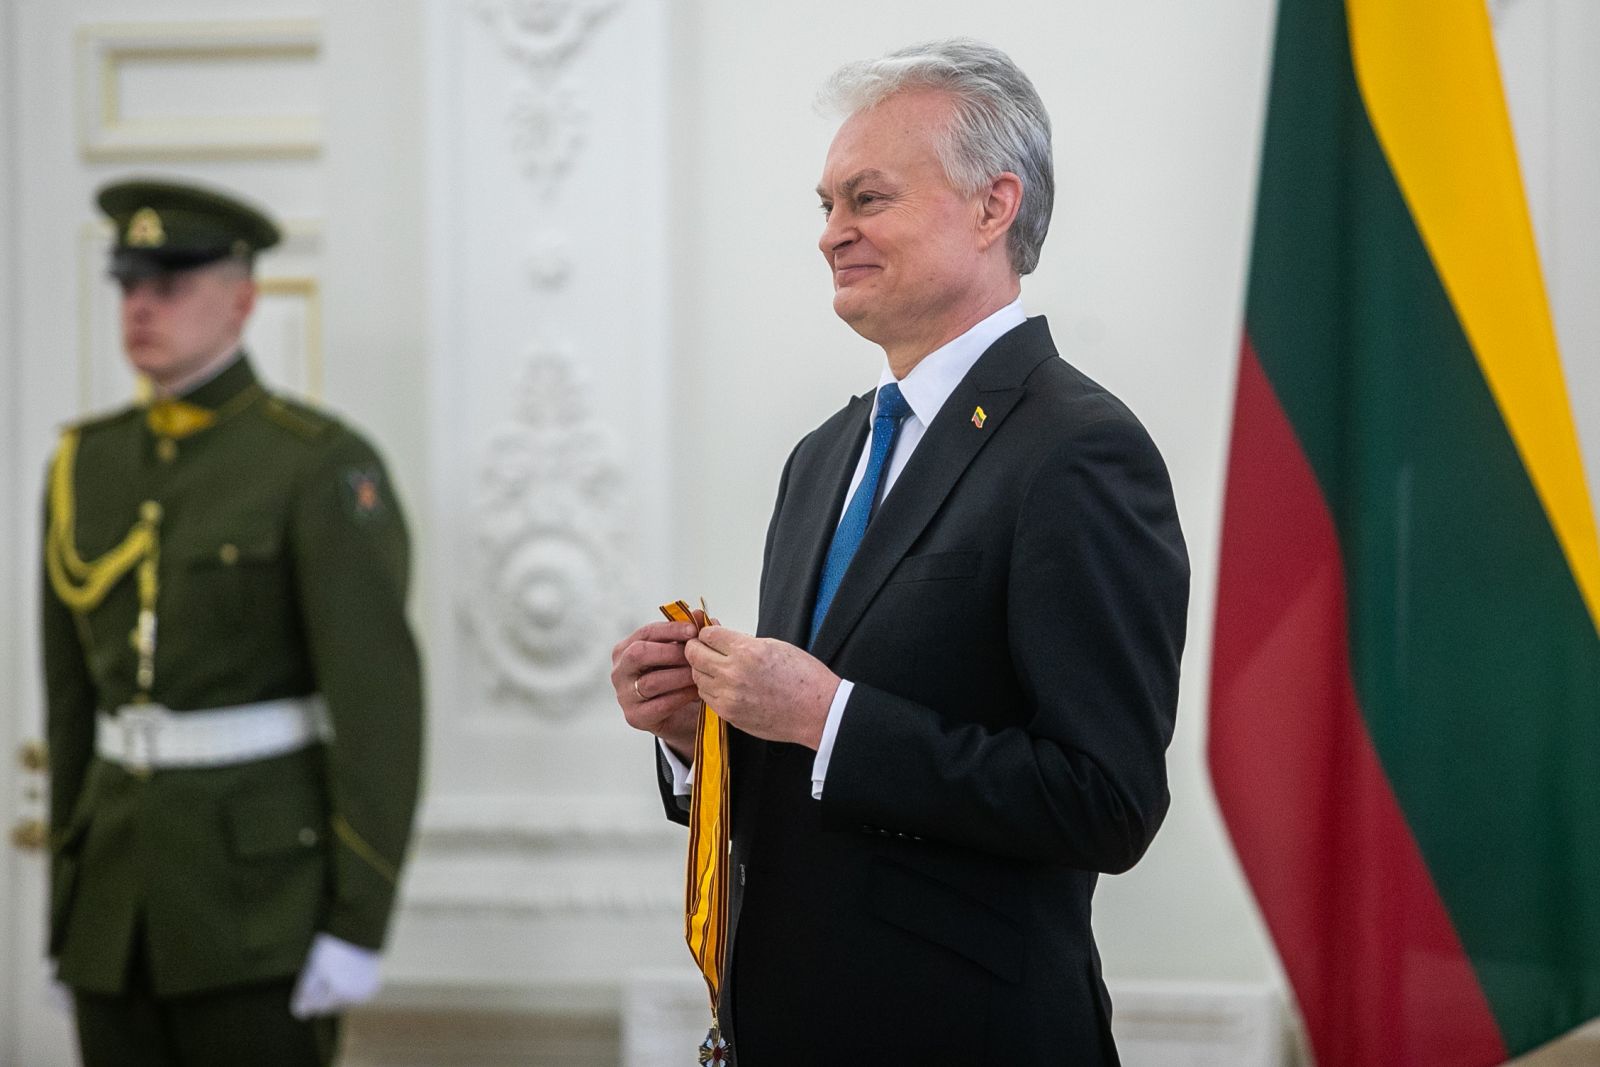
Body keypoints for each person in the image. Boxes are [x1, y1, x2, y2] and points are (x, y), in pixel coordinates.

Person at [611, 39, 1189, 1065]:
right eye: (826, 204)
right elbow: (815, 778)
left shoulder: (1078, 449)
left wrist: (826, 713)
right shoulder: (821, 455)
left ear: (992, 206)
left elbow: (1106, 801)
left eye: (868, 198)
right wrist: (703, 737)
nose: (831, 233)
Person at [41, 177, 424, 1067]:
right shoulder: (84, 464)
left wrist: (358, 922)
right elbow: (70, 708)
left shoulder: (316, 464)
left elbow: (379, 713)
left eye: (170, 284)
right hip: (112, 911)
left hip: (259, 911)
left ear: (243, 300)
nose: (141, 307)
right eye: (129, 285)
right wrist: (67, 903)